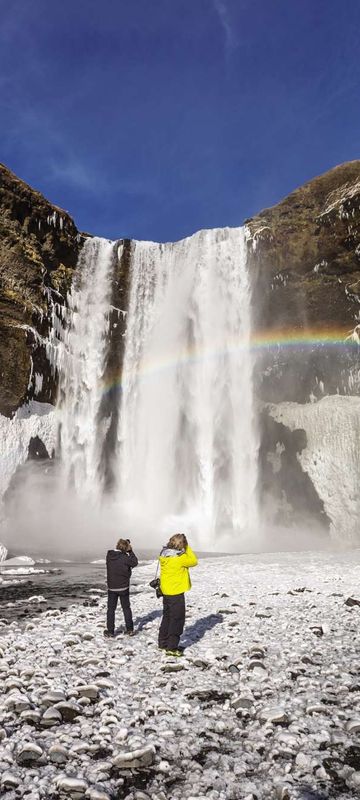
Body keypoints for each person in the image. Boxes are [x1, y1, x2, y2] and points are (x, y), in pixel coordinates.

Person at [158, 533, 198, 657]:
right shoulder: (180, 558)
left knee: (167, 617)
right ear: (181, 544)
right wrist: (187, 547)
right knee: (177, 620)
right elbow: (194, 561)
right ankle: (172, 648)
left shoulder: (164, 555)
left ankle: (162, 643)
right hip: (176, 592)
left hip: (166, 592)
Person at [104, 538, 138, 638]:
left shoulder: (109, 556)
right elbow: (135, 562)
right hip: (123, 587)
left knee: (111, 609)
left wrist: (124, 547)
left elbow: (118, 555)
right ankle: (130, 629)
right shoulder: (125, 558)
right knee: (126, 608)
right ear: (125, 548)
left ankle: (110, 631)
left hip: (112, 587)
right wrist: (130, 551)